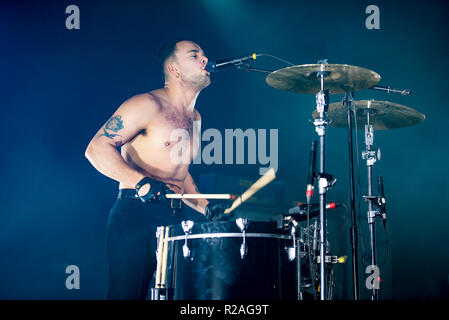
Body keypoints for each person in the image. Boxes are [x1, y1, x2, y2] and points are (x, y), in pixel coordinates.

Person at [85, 39, 230, 300]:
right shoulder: (147, 104)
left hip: (172, 218)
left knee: (168, 295)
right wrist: (141, 183)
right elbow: (96, 148)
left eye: (204, 55)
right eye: (195, 55)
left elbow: (179, 172)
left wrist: (206, 206)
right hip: (135, 213)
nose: (205, 60)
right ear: (174, 69)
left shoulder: (195, 117)